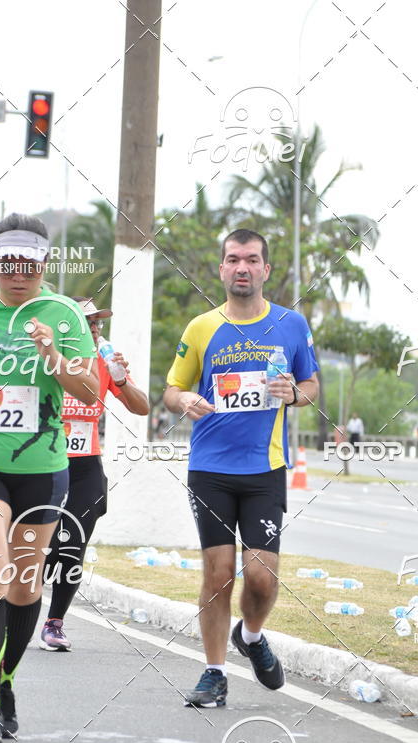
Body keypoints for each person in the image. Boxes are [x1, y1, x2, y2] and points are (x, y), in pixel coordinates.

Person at [0, 213, 99, 743]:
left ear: (44, 264)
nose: (18, 274)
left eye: (29, 265)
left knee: (24, 582)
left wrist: (52, 355)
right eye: (7, 264)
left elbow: (90, 393)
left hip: (42, 468)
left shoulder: (64, 314)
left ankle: (5, 684)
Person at [164, 228, 319, 707]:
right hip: (210, 468)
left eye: (252, 259)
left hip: (264, 468)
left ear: (265, 269)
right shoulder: (201, 327)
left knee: (261, 577)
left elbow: (312, 385)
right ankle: (214, 673)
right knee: (218, 575)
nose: (242, 268)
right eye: (233, 259)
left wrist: (294, 394)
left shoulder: (291, 324)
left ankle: (250, 636)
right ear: (222, 269)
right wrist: (184, 401)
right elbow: (171, 390)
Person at [40, 297, 149, 650]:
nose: (95, 328)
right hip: (41, 464)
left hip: (85, 466)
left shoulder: (103, 360)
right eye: (87, 322)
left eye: (97, 323)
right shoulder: (47, 357)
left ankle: (54, 623)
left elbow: (142, 407)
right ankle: (16, 605)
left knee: (73, 543)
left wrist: (122, 380)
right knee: (40, 546)